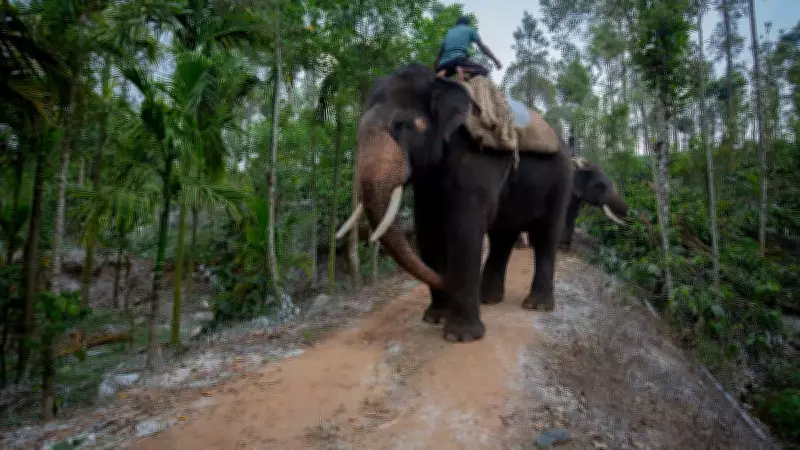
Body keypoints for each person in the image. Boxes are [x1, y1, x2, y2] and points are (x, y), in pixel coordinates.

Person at [435, 16, 502, 81]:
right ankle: (464, 70)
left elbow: (439, 55)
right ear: (467, 24)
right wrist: (496, 61)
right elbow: (483, 48)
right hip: (459, 60)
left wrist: (435, 70)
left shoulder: (449, 33)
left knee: (448, 69)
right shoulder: (470, 30)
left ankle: (444, 72)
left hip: (444, 63)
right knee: (483, 70)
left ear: (457, 24)